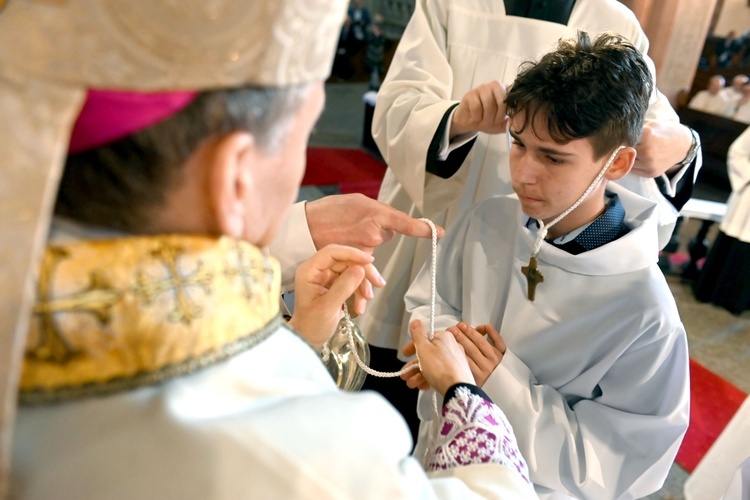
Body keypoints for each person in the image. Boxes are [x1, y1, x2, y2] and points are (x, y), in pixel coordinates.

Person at [1, 1, 535, 497]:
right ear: (235, 177)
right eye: (300, 137)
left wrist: (297, 338)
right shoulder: (316, 461)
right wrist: (467, 398)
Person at [358, 0, 700, 442]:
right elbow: (396, 108)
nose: (523, 174)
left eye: (552, 156)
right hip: (457, 225)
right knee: (397, 419)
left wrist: (682, 144)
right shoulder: (452, 5)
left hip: (557, 247)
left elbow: (639, 131)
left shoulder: (614, 23)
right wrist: (458, 118)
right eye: (519, 146)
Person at [693, 124, 750, 315]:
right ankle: (712, 291)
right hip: (747, 196)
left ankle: (738, 301)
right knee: (734, 240)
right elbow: (738, 151)